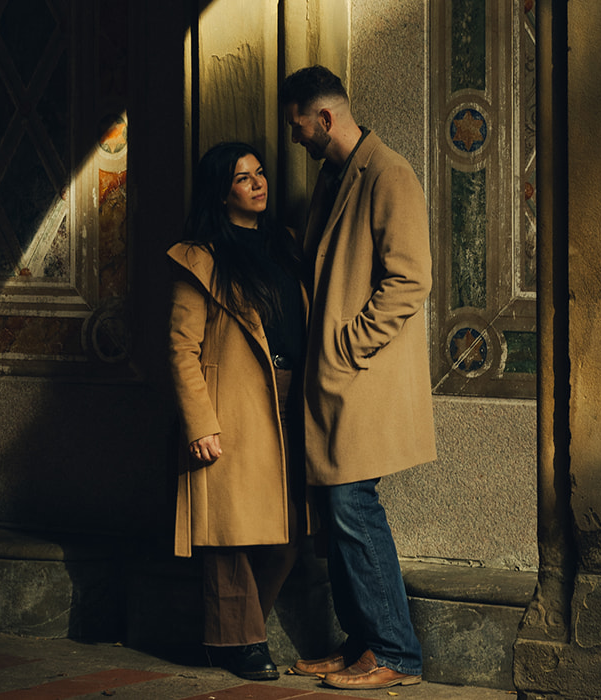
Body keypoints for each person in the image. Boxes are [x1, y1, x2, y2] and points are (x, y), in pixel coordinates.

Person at [277, 65, 437, 690]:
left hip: (359, 375)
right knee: (337, 505)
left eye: (298, 127)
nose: (294, 140)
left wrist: (348, 343)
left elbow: (410, 280)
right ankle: (362, 645)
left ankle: (396, 654)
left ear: (325, 118)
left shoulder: (389, 173)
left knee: (352, 503)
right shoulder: (332, 175)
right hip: (334, 378)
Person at [166, 142, 308, 681]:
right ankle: (242, 642)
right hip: (232, 407)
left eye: (260, 173)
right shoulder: (199, 257)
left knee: (289, 532)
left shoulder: (285, 244)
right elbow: (181, 348)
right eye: (243, 177)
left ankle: (235, 634)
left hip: (291, 398)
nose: (258, 183)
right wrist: (199, 422)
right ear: (221, 191)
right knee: (228, 532)